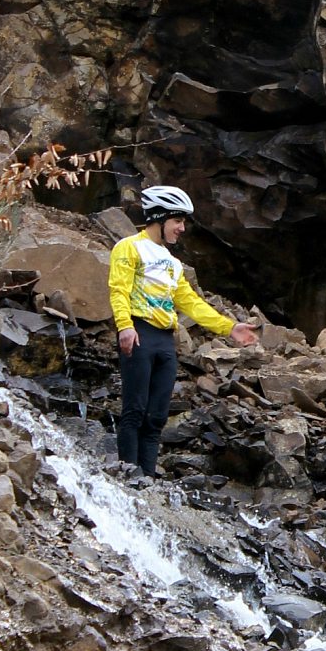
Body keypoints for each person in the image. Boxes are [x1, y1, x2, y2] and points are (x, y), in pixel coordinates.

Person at [108, 185, 257, 477]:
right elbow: (119, 289)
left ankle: (147, 479)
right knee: (135, 410)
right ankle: (127, 476)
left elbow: (191, 303)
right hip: (139, 332)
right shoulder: (129, 247)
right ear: (160, 218)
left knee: (157, 417)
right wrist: (125, 326)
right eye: (178, 221)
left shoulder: (174, 264)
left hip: (165, 341)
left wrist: (229, 326)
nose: (182, 228)